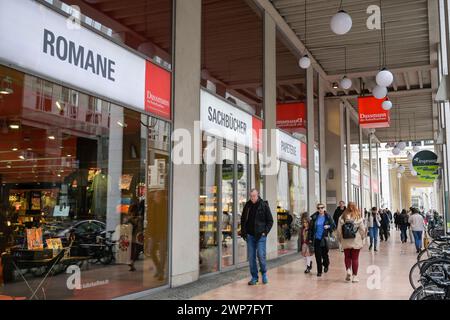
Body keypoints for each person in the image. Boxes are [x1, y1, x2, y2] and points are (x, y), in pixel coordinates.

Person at [241, 189, 274, 285]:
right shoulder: (247, 205)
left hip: (261, 236)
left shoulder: (263, 205)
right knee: (251, 258)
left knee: (261, 255)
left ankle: (263, 273)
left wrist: (265, 232)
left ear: (258, 195)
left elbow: (270, 221)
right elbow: (243, 220)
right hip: (250, 236)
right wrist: (244, 232)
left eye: (254, 196)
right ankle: (254, 277)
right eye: (251, 196)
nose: (252, 198)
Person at [336, 202, 366, 283]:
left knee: (347, 257)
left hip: (345, 240)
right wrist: (363, 238)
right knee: (355, 258)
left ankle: (348, 270)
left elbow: (339, 230)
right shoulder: (358, 217)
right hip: (356, 240)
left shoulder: (342, 217)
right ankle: (355, 277)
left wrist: (339, 239)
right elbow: (362, 229)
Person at [308, 203, 335, 277]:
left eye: (322, 208)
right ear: (317, 209)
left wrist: (328, 226)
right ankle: (319, 271)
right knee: (318, 255)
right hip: (316, 239)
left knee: (325, 255)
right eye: (319, 208)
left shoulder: (328, 217)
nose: (320, 209)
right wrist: (310, 238)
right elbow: (310, 229)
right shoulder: (314, 217)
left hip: (324, 238)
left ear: (324, 208)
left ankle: (326, 265)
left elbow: (333, 226)